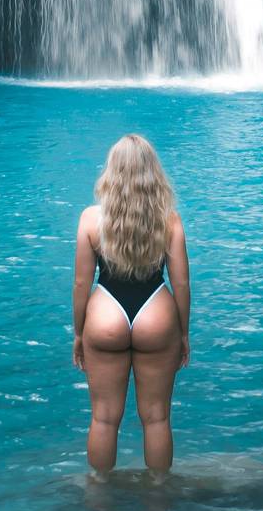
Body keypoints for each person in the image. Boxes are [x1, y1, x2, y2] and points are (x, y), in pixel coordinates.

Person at [70, 132, 192, 476]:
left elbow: (81, 283)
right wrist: (183, 333)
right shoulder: (169, 220)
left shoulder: (90, 219)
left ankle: (100, 498)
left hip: (105, 312)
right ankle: (158, 496)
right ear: (153, 173)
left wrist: (79, 333)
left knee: (104, 418)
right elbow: (181, 282)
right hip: (156, 311)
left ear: (112, 172)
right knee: (156, 418)